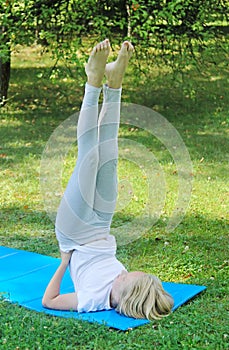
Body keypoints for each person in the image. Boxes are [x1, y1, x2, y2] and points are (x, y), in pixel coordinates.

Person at [42, 39, 174, 320]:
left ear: (124, 290)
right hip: (102, 223)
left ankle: (93, 81)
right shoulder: (125, 283)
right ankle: (114, 83)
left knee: (89, 157)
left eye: (129, 275)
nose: (127, 271)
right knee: (109, 155)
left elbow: (49, 300)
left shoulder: (94, 299)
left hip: (74, 233)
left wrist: (64, 262)